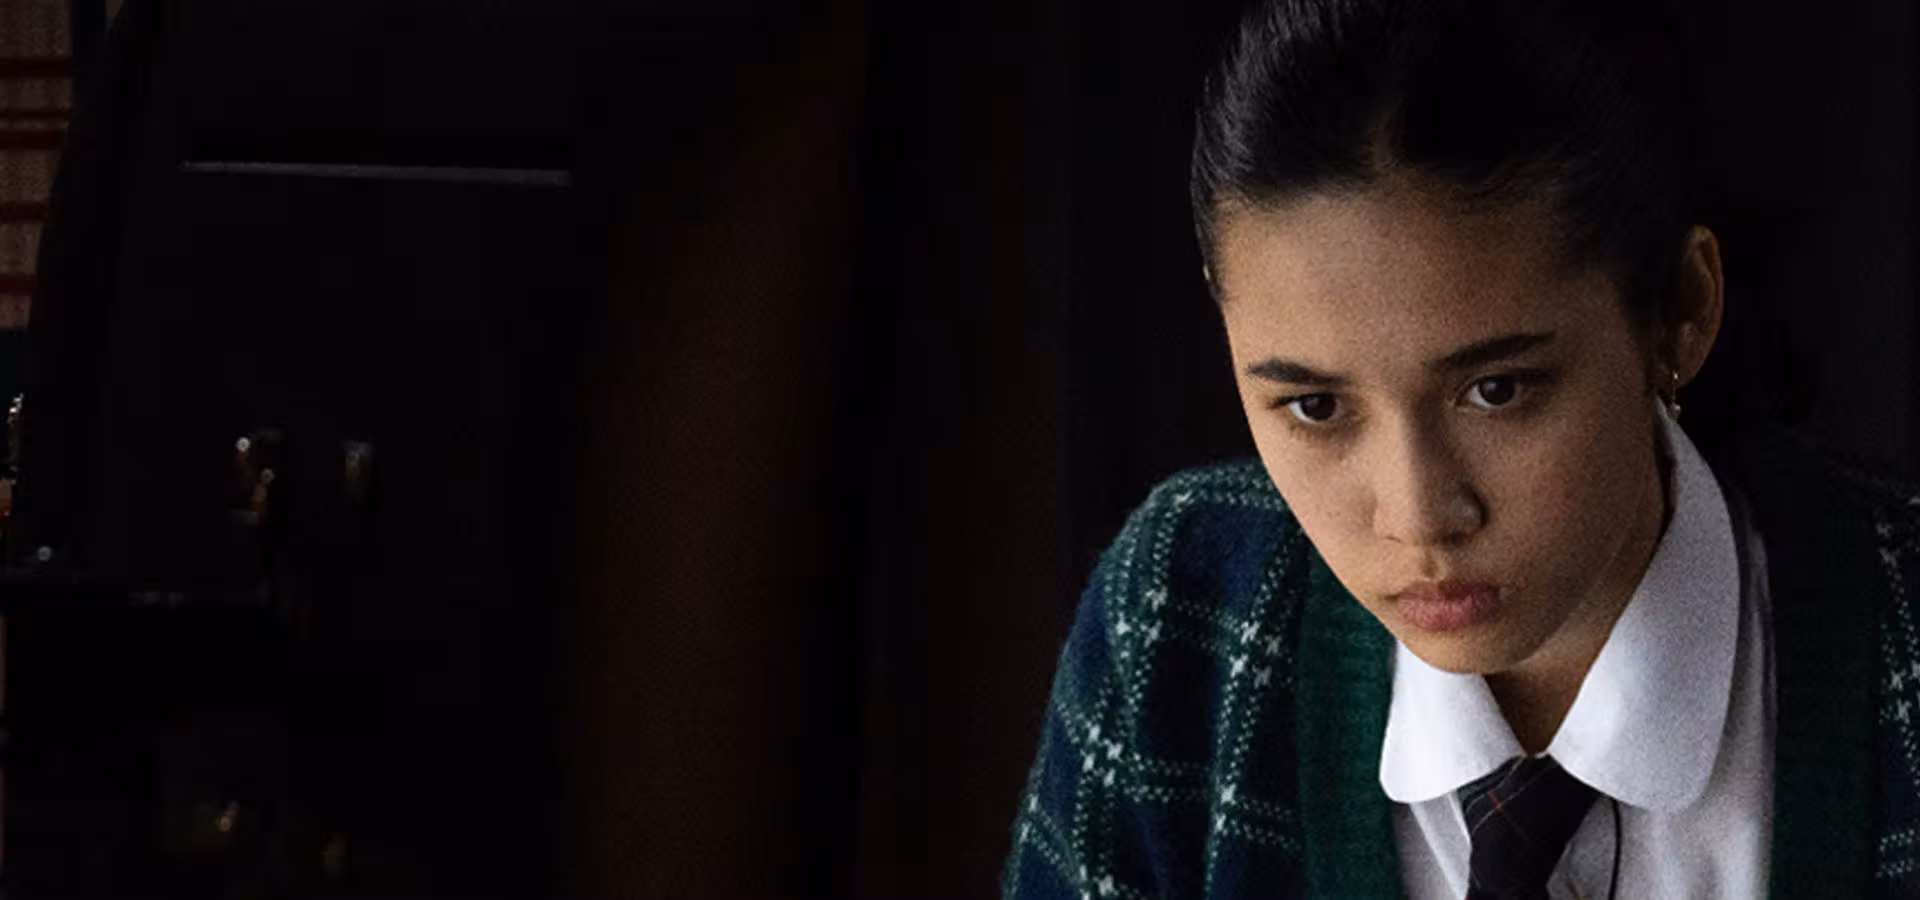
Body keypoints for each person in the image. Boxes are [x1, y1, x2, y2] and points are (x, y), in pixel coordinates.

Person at [1001, 0, 1920, 897]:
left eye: (1497, 391)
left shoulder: (1901, 641)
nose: (1418, 517)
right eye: (1315, 407)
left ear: (1682, 309)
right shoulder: (1182, 619)